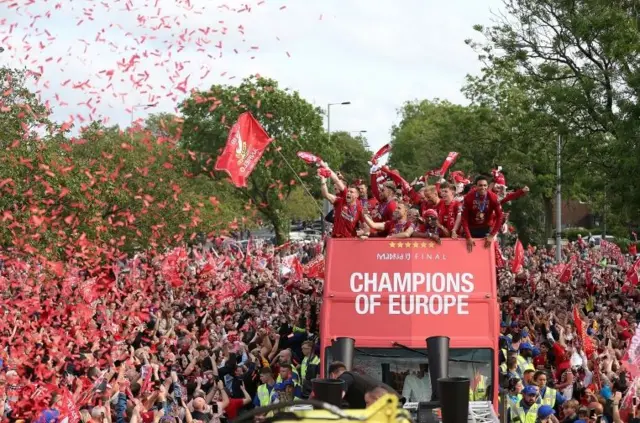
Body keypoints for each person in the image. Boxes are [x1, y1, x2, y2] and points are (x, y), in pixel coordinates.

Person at [327, 361, 399, 409]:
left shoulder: (345, 376)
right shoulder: (356, 378)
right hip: (393, 402)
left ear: (332, 375)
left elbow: (340, 391)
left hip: (388, 405)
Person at [461, 175, 503, 252]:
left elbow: (500, 216)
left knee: (488, 252)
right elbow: (464, 218)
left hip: (486, 229)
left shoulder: (493, 197)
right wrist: (468, 236)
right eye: (480, 185)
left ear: (487, 186)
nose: (483, 188)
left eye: (485, 185)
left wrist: (492, 235)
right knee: (470, 251)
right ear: (475, 186)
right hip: (471, 228)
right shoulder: (468, 197)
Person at [319, 168, 364, 238]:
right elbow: (326, 194)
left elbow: (365, 226)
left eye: (351, 192)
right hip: (336, 239)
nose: (348, 193)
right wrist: (323, 182)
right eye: (348, 191)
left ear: (357, 195)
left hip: (348, 240)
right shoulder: (340, 201)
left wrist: (363, 233)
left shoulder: (359, 208)